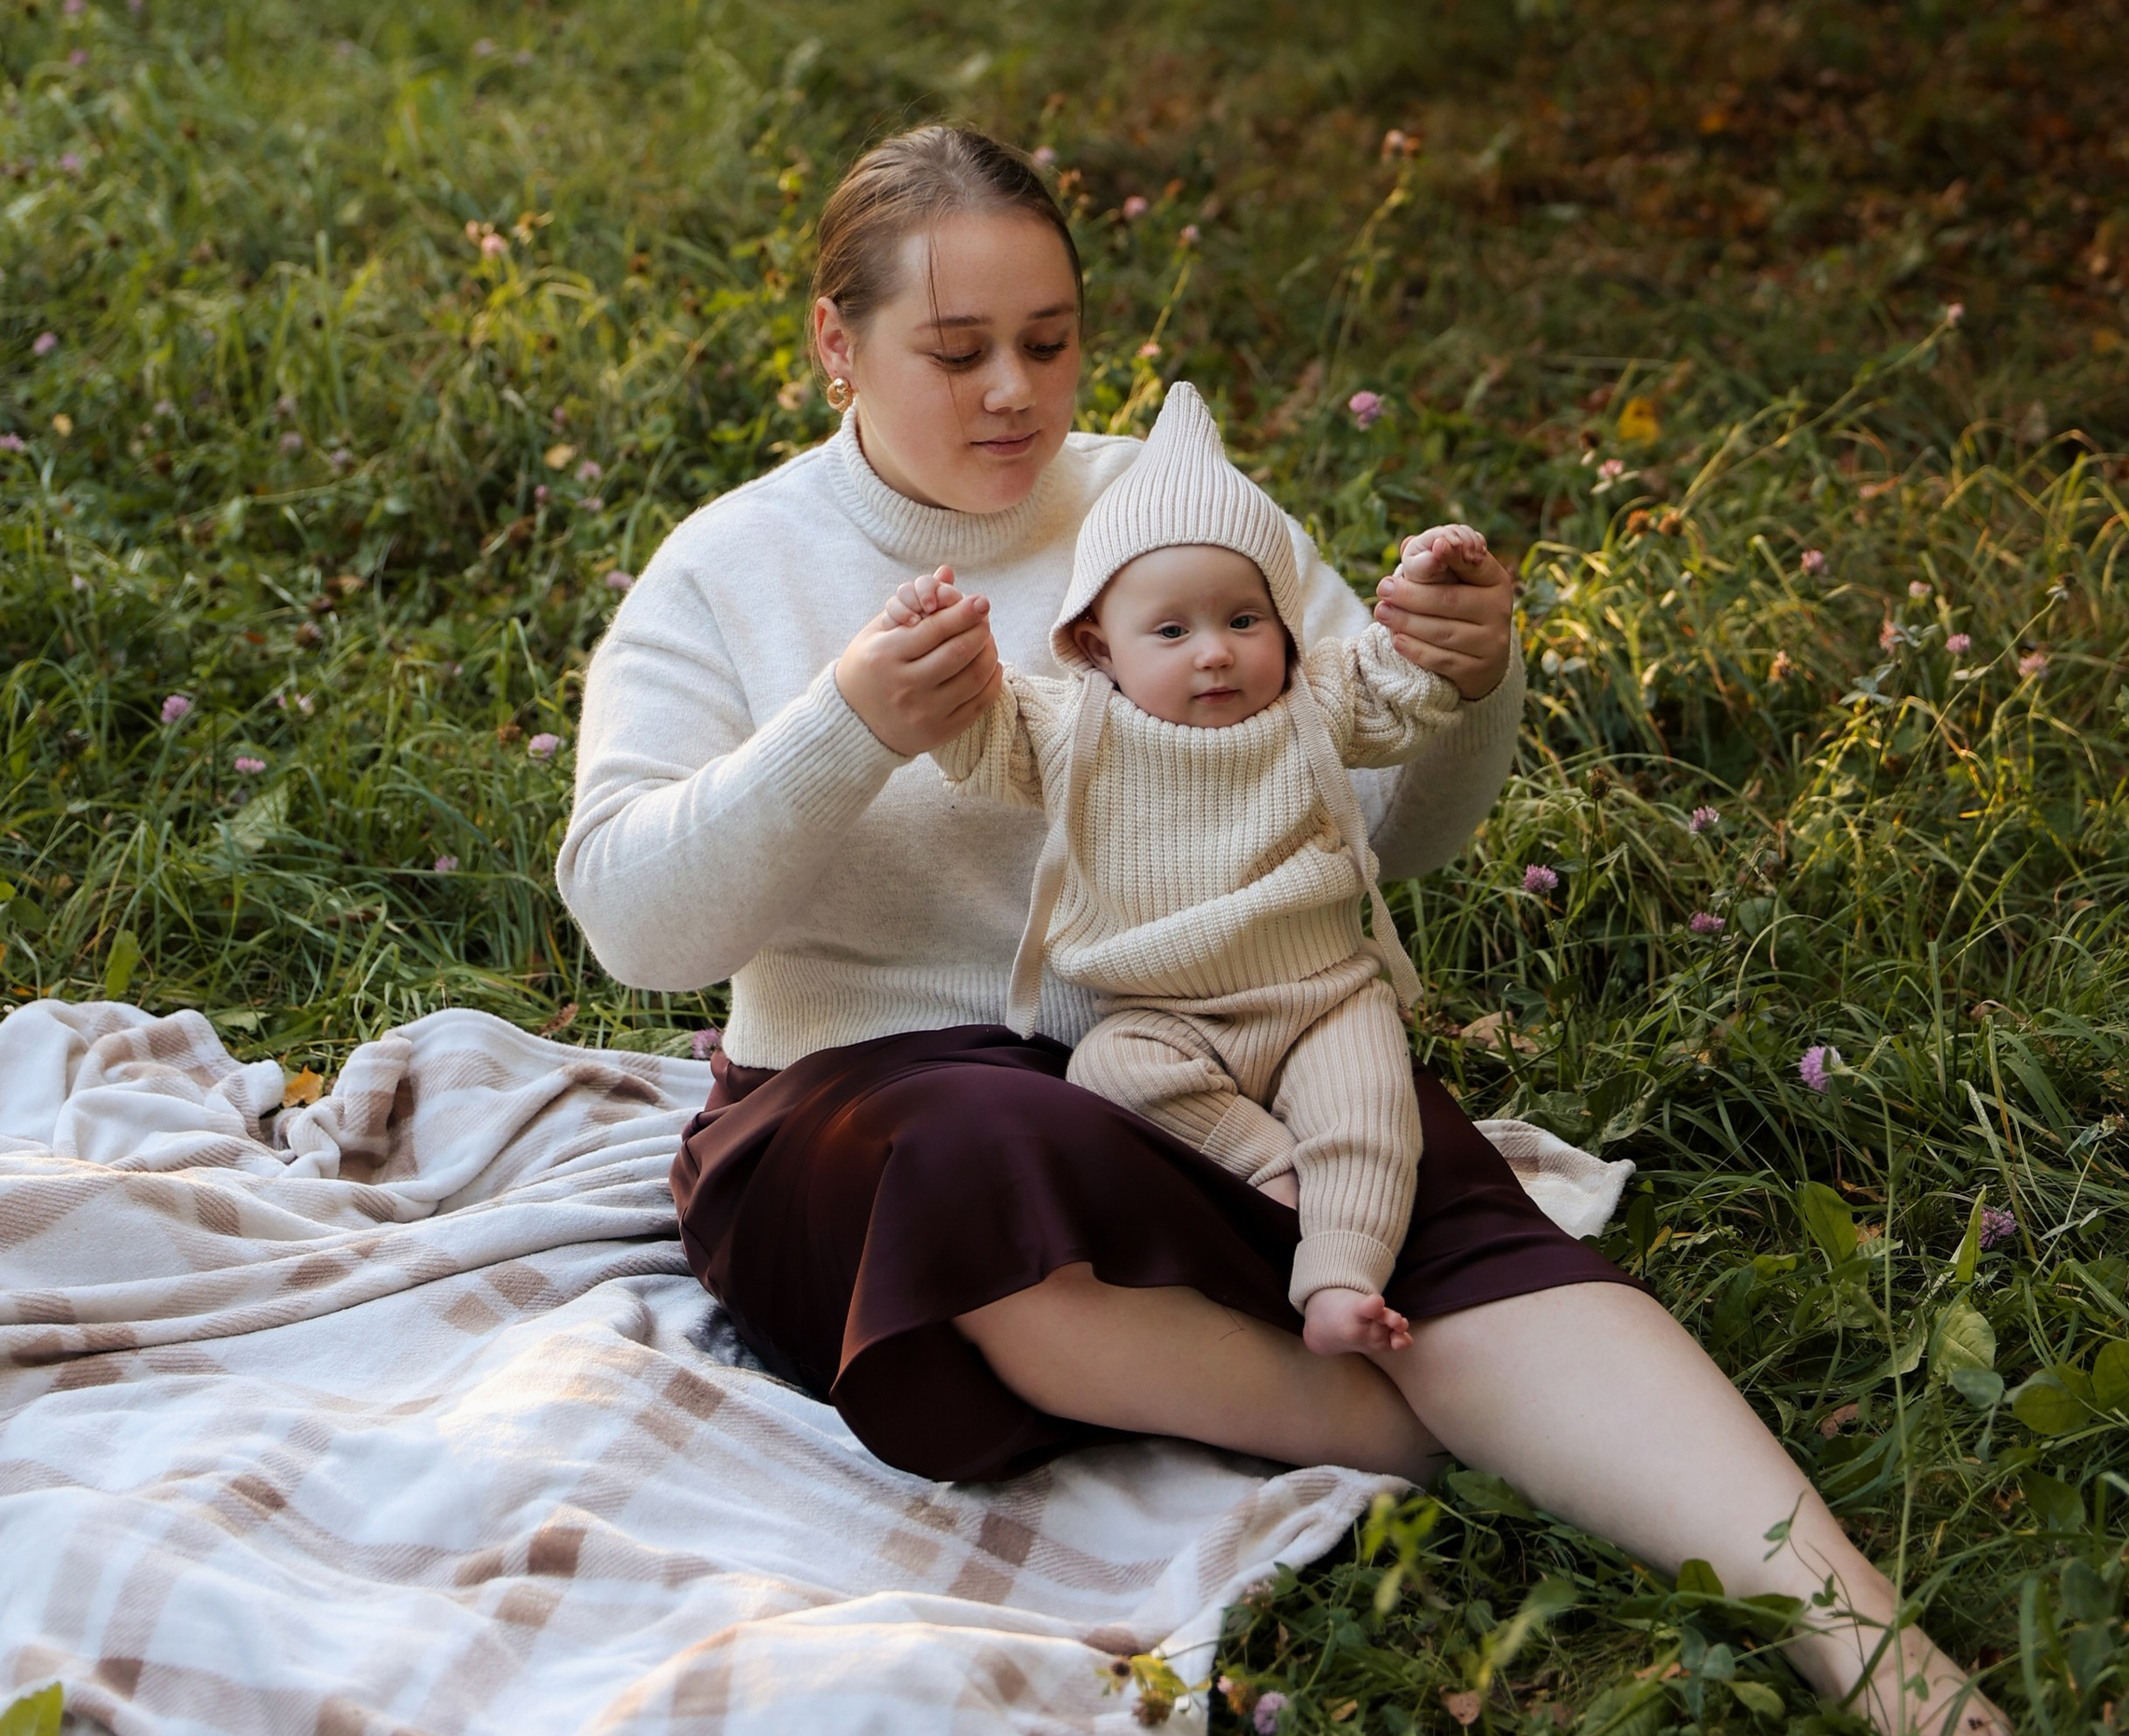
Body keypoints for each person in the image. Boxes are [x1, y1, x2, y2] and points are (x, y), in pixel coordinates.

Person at [559, 123, 2004, 1736]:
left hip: (1210, 1036)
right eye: (955, 352)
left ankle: (1892, 1667)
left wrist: (1461, 684)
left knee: (1414, 1177)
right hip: (877, 1103)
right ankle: (1420, 1429)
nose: (1015, 395)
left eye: (1050, 342)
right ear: (836, 343)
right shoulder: (730, 568)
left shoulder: (1169, 512)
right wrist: (845, 727)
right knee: (969, 1157)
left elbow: (1393, 831)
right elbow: (633, 924)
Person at [891, 375, 1503, 1355]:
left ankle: (1342, 1279)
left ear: (1283, 625)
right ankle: (1265, 1166)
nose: (1214, 654)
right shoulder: (1071, 723)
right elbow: (977, 739)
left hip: (1318, 992)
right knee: (1104, 1073)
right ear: (1098, 644)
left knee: (1371, 1112)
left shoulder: (1313, 701)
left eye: (1243, 621)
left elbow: (1407, 686)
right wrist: (937, 648)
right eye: (1171, 631)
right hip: (1158, 1014)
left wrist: (1436, 587)